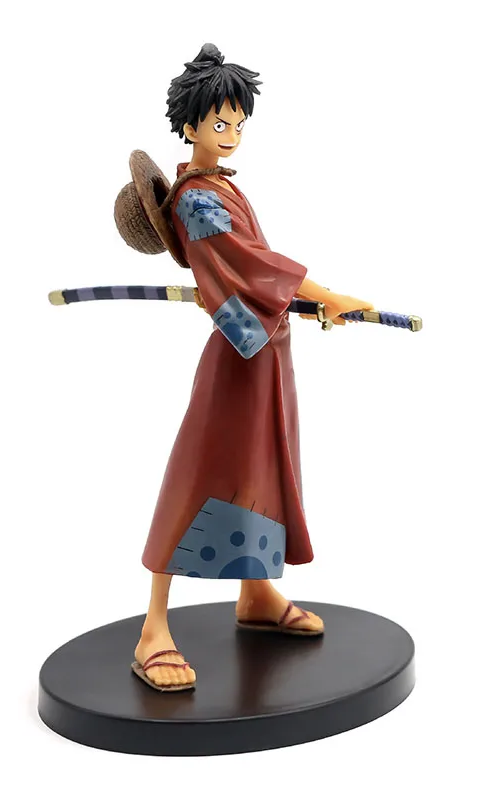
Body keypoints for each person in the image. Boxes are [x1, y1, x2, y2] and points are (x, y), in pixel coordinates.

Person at [131, 44, 374, 691]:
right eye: (220, 123)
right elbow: (252, 267)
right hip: (238, 355)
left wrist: (299, 304)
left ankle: (257, 592)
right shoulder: (196, 199)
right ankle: (153, 628)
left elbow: (254, 274)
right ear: (190, 125)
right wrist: (326, 294)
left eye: (238, 123)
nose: (232, 133)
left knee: (264, 469)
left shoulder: (222, 186)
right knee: (200, 475)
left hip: (267, 351)